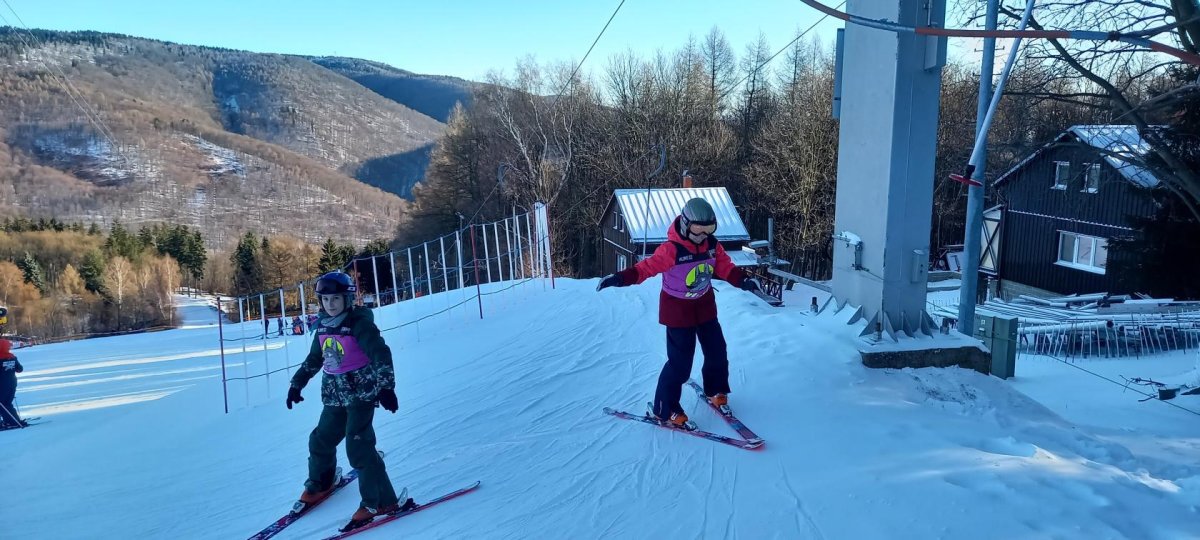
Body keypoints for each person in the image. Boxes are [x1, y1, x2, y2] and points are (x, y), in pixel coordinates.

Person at [596, 197, 759, 430]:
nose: (703, 235)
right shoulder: (671, 249)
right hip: (677, 310)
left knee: (717, 350)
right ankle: (665, 408)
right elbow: (645, 268)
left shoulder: (712, 246)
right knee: (680, 363)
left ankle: (715, 390)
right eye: (698, 229)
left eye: (709, 229)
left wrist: (743, 280)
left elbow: (725, 267)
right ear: (685, 223)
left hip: (704, 305)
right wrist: (619, 278)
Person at [287, 271, 403, 526]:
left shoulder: (359, 324)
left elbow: (380, 353)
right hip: (333, 396)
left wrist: (386, 388)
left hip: (361, 395)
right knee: (320, 440)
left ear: (347, 299)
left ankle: (380, 501)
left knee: (358, 447)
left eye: (336, 299)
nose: (330, 304)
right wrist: (297, 384)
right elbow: (315, 359)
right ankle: (322, 482)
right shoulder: (322, 326)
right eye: (325, 299)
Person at [0, 337, 25, 429]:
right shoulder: (12, 357)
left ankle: (11, 422)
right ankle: (14, 420)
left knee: (2, 404)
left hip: (2, 385)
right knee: (7, 403)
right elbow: (20, 369)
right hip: (12, 383)